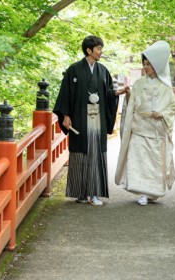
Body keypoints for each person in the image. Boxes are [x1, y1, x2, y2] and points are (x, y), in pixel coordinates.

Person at [53, 35, 128, 206]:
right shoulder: (74, 70)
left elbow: (108, 92)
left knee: (95, 154)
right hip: (80, 119)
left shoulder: (103, 71)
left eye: (101, 48)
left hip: (97, 119)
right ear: (89, 50)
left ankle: (94, 194)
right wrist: (65, 115)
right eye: (98, 48)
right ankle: (80, 193)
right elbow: (66, 95)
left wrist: (117, 93)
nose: (101, 52)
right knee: (80, 153)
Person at [115, 40, 175, 206]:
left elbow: (172, 107)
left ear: (156, 66)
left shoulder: (165, 87)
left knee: (154, 163)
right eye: (144, 64)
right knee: (138, 160)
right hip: (140, 127)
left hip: (155, 131)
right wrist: (128, 96)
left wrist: (162, 114)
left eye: (149, 64)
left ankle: (152, 192)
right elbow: (131, 105)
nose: (146, 67)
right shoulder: (139, 83)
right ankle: (142, 192)